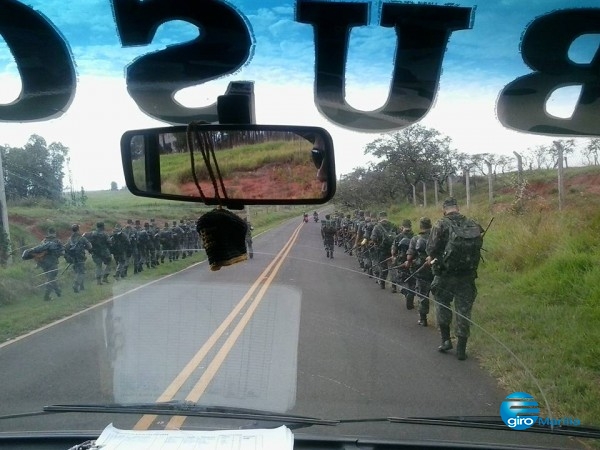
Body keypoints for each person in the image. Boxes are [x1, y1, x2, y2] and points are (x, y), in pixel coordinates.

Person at [425, 197, 484, 361]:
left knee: (442, 305)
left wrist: (431, 258)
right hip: (467, 275)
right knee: (464, 311)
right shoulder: (472, 223)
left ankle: (445, 341)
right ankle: (461, 349)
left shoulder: (440, 224)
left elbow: (431, 248)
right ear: (457, 208)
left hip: (445, 275)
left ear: (444, 209)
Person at [403, 217, 434, 326]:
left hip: (422, 271)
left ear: (420, 227)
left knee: (423, 295)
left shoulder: (415, 239)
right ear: (430, 226)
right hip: (436, 271)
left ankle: (423, 318)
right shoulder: (436, 238)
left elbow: (409, 256)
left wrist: (409, 261)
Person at [22, 227, 64, 301]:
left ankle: (58, 292)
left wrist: (38, 264)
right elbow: (62, 252)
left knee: (51, 278)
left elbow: (39, 252)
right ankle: (46, 297)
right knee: (50, 280)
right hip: (52, 262)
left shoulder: (43, 241)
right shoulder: (57, 241)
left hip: (43, 263)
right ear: (54, 233)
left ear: (48, 233)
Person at [369, 211, 397, 289]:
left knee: (383, 267)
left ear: (380, 217)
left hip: (381, 250)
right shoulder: (393, 225)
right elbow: (398, 237)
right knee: (392, 267)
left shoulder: (377, 227)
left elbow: (373, 238)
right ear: (386, 216)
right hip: (392, 250)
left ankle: (382, 283)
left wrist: (376, 244)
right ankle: (394, 286)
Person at [65, 224, 92, 292]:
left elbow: (67, 248)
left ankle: (81, 287)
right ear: (78, 229)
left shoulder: (69, 239)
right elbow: (89, 246)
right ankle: (76, 285)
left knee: (78, 272)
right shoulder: (81, 238)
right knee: (82, 272)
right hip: (80, 257)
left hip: (73, 258)